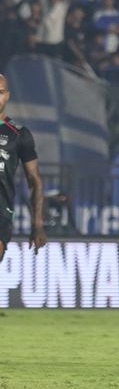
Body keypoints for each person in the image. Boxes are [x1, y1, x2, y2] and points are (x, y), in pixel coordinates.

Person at [0, 74, 47, 263]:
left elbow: (35, 181)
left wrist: (37, 224)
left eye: (0, 92)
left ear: (8, 95)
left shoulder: (19, 134)